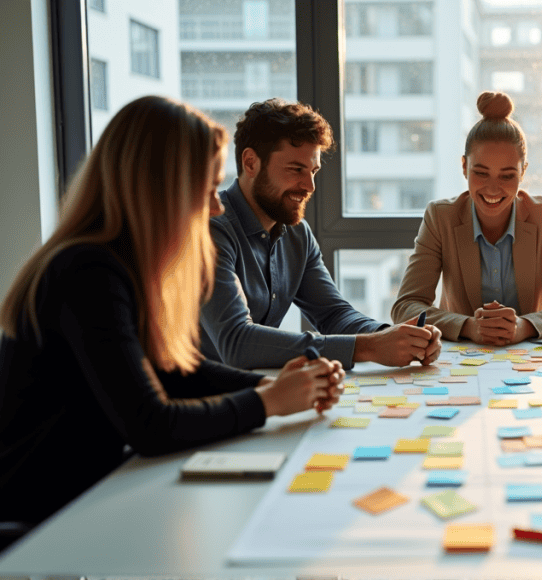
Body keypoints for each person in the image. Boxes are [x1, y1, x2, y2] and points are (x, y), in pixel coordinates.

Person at [0, 96, 344, 533]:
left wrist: (272, 384)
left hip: (83, 496)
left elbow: (175, 370)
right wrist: (269, 401)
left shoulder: (118, 265)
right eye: (205, 192)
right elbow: (150, 424)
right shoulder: (88, 272)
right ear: (157, 190)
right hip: (40, 516)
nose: (217, 208)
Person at [200, 98, 442, 369]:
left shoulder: (296, 234)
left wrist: (393, 336)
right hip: (202, 399)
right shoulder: (211, 230)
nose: (310, 186)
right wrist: (369, 347)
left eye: (313, 170)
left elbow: (333, 314)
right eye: (296, 170)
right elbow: (236, 343)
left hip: (265, 390)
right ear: (251, 163)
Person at [391, 91, 542, 345]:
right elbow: (404, 308)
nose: (492, 188)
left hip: (532, 360)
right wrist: (467, 326)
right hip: (461, 361)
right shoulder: (440, 218)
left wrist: (526, 326)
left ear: (523, 172)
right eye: (481, 173)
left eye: (507, 176)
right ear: (464, 166)